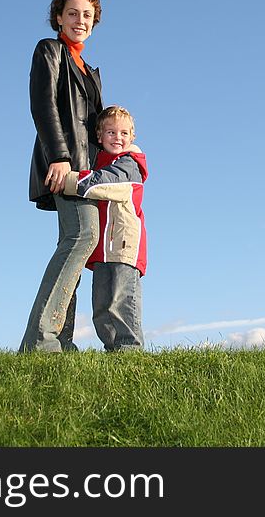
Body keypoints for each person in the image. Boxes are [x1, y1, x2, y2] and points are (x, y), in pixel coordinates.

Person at [20, 0, 103, 353]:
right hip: (65, 163)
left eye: (86, 15)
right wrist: (59, 156)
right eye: (72, 13)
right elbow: (43, 104)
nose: (79, 20)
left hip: (90, 171)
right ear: (58, 18)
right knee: (83, 237)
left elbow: (97, 126)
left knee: (74, 243)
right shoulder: (49, 50)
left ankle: (61, 340)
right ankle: (42, 339)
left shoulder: (89, 70)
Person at [64, 105, 148, 351]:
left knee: (121, 299)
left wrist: (67, 180)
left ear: (132, 137)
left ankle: (129, 348)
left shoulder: (129, 164)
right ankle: (113, 349)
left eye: (123, 133)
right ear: (99, 136)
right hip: (102, 248)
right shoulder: (99, 160)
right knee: (101, 305)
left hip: (124, 244)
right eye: (111, 132)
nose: (117, 138)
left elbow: (101, 184)